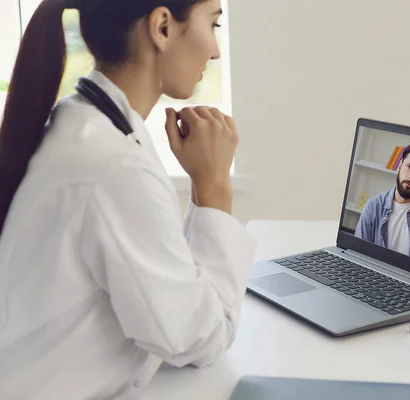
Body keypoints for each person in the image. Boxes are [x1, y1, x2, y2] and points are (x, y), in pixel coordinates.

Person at [0, 0, 256, 398]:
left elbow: (169, 298)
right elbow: (197, 339)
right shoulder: (112, 165)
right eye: (213, 24)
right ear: (163, 28)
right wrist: (214, 188)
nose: (216, 50)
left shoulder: (88, 123)